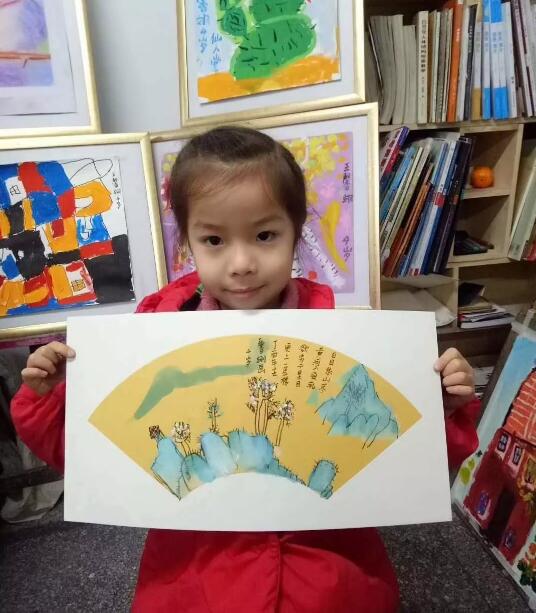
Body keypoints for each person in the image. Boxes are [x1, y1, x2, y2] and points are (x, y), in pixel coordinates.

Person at [11, 126, 479, 612]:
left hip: (328, 575)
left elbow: (402, 464)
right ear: (187, 243)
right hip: (198, 578)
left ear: (296, 233)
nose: (241, 263)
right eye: (214, 239)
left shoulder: (345, 342)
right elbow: (90, 458)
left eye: (265, 235)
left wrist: (441, 406)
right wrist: (53, 396)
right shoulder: (150, 337)